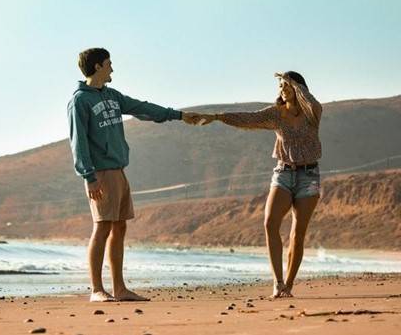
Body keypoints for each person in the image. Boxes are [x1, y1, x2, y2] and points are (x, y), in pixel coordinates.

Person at [68, 47, 198, 302]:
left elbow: (142, 108)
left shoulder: (112, 95)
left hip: (118, 170)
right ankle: (96, 290)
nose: (112, 68)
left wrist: (178, 115)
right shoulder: (80, 101)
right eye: (109, 64)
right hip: (100, 173)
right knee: (102, 227)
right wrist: (89, 176)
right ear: (97, 67)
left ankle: (119, 289)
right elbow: (78, 142)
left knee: (120, 227)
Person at [196, 72, 322, 298]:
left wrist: (295, 83)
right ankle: (278, 282)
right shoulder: (276, 114)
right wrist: (217, 116)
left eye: (287, 85)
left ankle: (289, 286)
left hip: (308, 177)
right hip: (283, 173)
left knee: (297, 234)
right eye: (280, 85)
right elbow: (248, 118)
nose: (282, 89)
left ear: (298, 87)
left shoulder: (312, 114)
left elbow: (311, 102)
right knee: (269, 223)